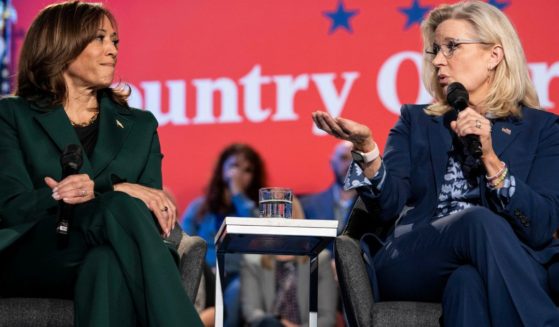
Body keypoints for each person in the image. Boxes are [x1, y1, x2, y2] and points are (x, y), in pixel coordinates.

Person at [313, 1, 559, 325]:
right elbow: (386, 208)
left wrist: (490, 158)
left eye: (452, 47)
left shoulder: (543, 129)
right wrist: (368, 151)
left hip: (498, 262)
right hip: (416, 257)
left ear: (494, 56)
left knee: (466, 284)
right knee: (477, 222)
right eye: (435, 50)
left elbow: (541, 226)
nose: (439, 60)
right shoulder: (416, 121)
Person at [0, 2, 201, 326]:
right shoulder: (11, 114)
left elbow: (153, 213)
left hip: (105, 251)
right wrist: (98, 191)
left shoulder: (140, 125)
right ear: (61, 44)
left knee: (106, 263)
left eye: (115, 41)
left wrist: (105, 193)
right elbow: (10, 207)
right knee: (120, 206)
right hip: (35, 252)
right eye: (100, 39)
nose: (112, 51)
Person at [181, 143, 266, 326]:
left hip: (239, 275)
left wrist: (238, 195)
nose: (239, 174)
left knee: (239, 288)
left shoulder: (254, 208)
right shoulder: (199, 208)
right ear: (222, 170)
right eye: (234, 166)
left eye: (247, 170)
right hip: (204, 274)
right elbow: (184, 242)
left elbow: (259, 230)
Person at [240, 205, 338, 327]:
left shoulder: (320, 259)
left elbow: (327, 317)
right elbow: (251, 312)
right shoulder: (253, 261)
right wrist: (279, 323)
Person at [300, 140, 357, 235]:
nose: (350, 164)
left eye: (355, 159)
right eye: (344, 158)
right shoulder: (307, 205)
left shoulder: (374, 206)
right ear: (332, 163)